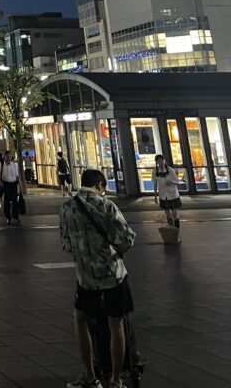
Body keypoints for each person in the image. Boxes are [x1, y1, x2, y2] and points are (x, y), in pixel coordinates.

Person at [60, 168, 136, 388]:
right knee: (117, 325)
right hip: (113, 274)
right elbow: (127, 238)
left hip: (85, 277)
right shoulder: (106, 205)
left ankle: (90, 376)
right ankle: (115, 380)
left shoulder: (66, 208)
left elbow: (66, 244)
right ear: (100, 185)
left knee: (81, 320)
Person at [153, 154, 181, 229]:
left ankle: (177, 230)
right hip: (163, 195)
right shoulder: (155, 171)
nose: (160, 162)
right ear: (156, 162)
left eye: (161, 160)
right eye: (158, 161)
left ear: (164, 161)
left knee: (175, 214)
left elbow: (178, 182)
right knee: (168, 215)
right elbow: (155, 183)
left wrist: (172, 182)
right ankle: (171, 230)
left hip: (173, 195)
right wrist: (155, 196)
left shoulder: (170, 170)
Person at [0, 151, 21, 225]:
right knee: (7, 202)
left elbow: (17, 176)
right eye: (7, 156)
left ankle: (16, 216)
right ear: (5, 156)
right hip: (6, 184)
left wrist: (19, 185)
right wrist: (0, 183)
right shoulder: (1, 165)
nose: (9, 157)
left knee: (15, 202)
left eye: (10, 156)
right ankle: (8, 217)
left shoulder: (14, 165)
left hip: (13, 184)